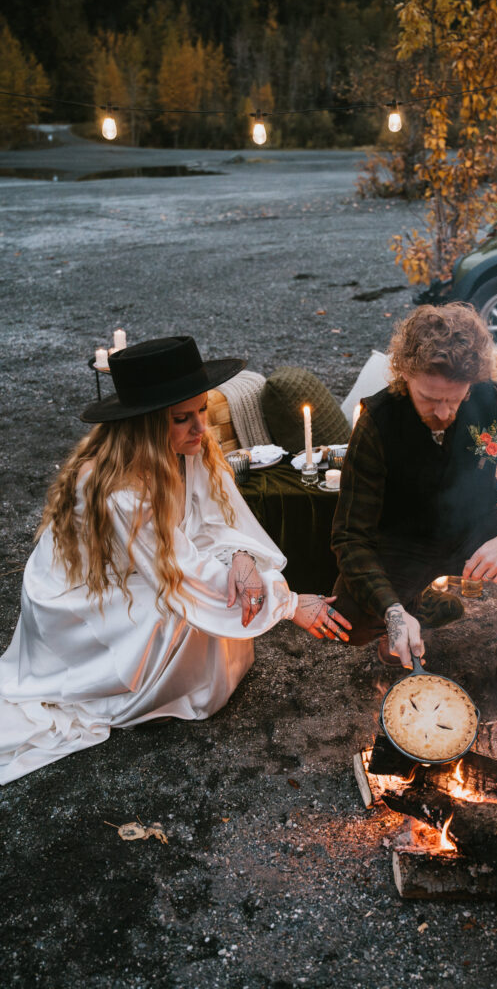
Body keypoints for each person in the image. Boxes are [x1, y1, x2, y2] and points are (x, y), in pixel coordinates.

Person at [0, 336, 350, 784]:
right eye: (182, 419)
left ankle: (178, 683)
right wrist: (289, 604)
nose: (201, 429)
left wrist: (242, 556)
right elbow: (179, 572)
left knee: (234, 585)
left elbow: (215, 518)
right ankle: (149, 695)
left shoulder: (190, 448)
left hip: (148, 566)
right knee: (184, 617)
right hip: (82, 600)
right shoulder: (119, 488)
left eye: (202, 410)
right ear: (143, 425)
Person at [331, 304, 497, 744]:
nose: (446, 411)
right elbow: (350, 536)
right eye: (430, 399)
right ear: (403, 375)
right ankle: (412, 609)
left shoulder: (492, 400)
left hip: (477, 529)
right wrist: (391, 611)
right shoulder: (377, 420)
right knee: (348, 621)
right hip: (404, 542)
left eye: (456, 397)